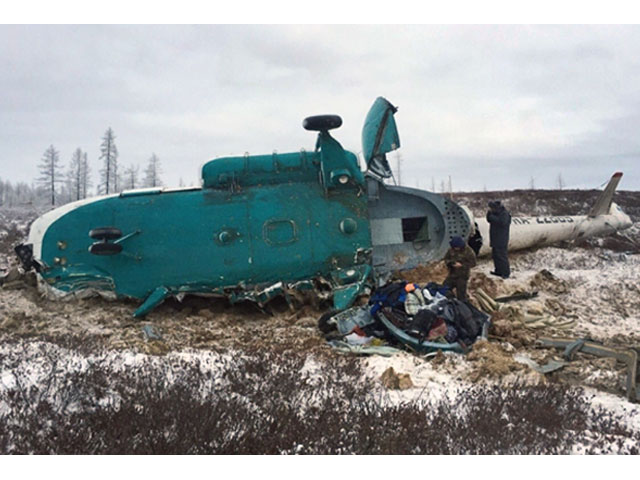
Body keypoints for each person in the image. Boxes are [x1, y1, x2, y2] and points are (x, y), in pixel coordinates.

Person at [443, 236, 476, 301]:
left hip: (462, 276)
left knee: (461, 295)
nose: (456, 249)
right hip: (452, 275)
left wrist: (462, 265)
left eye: (457, 247)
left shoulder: (468, 251)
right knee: (444, 288)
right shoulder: (451, 250)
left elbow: (473, 263)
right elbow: (446, 259)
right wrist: (451, 263)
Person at [486, 200, 511, 279]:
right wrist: (489, 214)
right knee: (496, 256)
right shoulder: (496, 213)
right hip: (495, 238)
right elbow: (489, 220)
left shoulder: (504, 214)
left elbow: (502, 222)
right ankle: (498, 271)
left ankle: (505, 273)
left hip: (501, 239)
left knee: (502, 256)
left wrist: (492, 216)